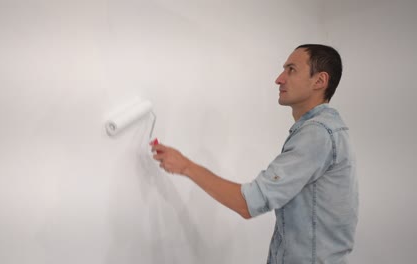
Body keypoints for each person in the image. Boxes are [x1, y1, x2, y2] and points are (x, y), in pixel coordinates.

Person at [151, 44, 358, 264]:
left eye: (291, 70)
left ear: (319, 81)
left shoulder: (318, 133)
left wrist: (185, 166)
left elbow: (248, 203)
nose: (279, 79)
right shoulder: (324, 130)